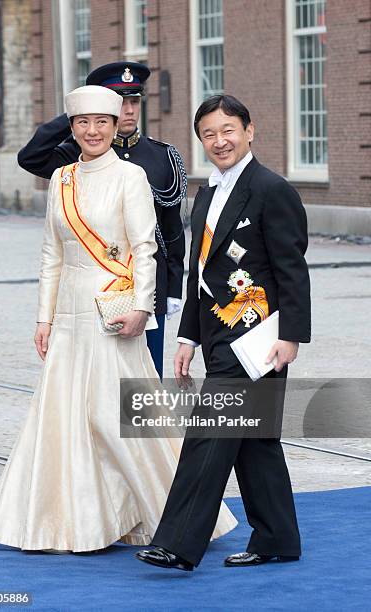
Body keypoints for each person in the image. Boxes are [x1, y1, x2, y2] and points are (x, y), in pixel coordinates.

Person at [0, 86, 236, 553]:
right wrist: (43, 318)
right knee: (63, 419)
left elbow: (146, 247)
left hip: (115, 312)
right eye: (83, 123)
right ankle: (73, 522)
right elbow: (50, 255)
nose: (92, 131)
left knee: (119, 416)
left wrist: (143, 306)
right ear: (72, 127)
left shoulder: (131, 176)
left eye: (102, 121)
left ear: (116, 123)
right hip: (68, 316)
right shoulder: (60, 179)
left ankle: (175, 515)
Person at [136, 94, 311, 571]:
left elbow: (292, 270)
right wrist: (187, 339)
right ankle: (277, 538)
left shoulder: (273, 190)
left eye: (228, 130)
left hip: (260, 338)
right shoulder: (207, 194)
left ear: (250, 130)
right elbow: (200, 273)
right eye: (209, 134)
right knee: (255, 442)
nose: (220, 141)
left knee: (208, 434)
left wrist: (291, 336)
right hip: (216, 337)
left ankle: (177, 543)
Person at [17, 61, 186, 379]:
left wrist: (173, 288)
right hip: (94, 290)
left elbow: (172, 230)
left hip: (146, 289)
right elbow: (30, 156)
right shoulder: (75, 155)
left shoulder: (162, 156)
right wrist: (81, 110)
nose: (128, 110)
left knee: (143, 383)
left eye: (134, 101)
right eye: (118, 102)